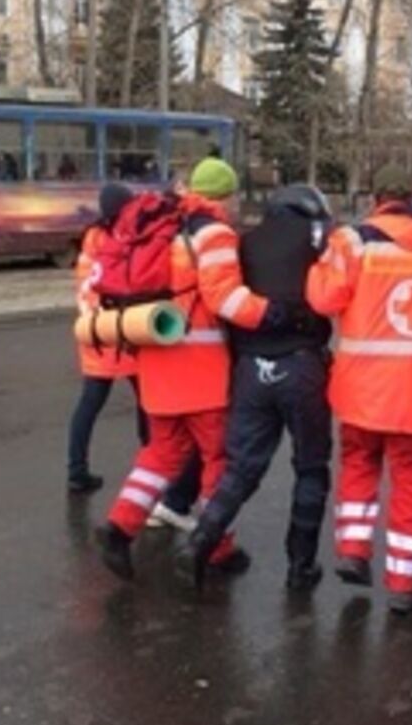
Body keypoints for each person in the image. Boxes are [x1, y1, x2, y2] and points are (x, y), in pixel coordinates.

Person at [94, 157, 276, 582]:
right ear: (225, 195)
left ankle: (120, 528)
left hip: (156, 356)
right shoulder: (212, 233)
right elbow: (224, 300)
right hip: (200, 368)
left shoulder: (164, 227)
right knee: (219, 459)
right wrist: (276, 313)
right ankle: (217, 549)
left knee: (162, 452)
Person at [304, 164, 412, 615]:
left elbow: (323, 300)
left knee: (358, 463)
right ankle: (403, 583)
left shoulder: (352, 242)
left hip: (361, 387)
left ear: (375, 199)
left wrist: (317, 266)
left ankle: (354, 550)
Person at [175, 184, 335, 592]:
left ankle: (200, 542)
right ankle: (301, 568)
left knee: (241, 467)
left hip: (250, 371)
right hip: (302, 367)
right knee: (311, 467)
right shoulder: (319, 243)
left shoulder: (244, 244)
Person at [67, 182, 149, 493]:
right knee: (148, 403)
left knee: (89, 405)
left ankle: (77, 469)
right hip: (126, 330)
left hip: (95, 331)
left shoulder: (91, 239)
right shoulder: (127, 238)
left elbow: (86, 286)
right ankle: (151, 465)